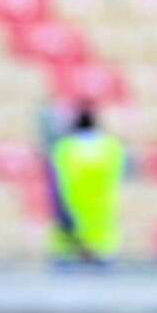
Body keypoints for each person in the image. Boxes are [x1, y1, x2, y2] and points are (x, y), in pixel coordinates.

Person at [47, 106, 125, 264]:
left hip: (69, 238)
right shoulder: (112, 148)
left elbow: (54, 187)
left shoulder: (63, 148)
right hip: (102, 239)